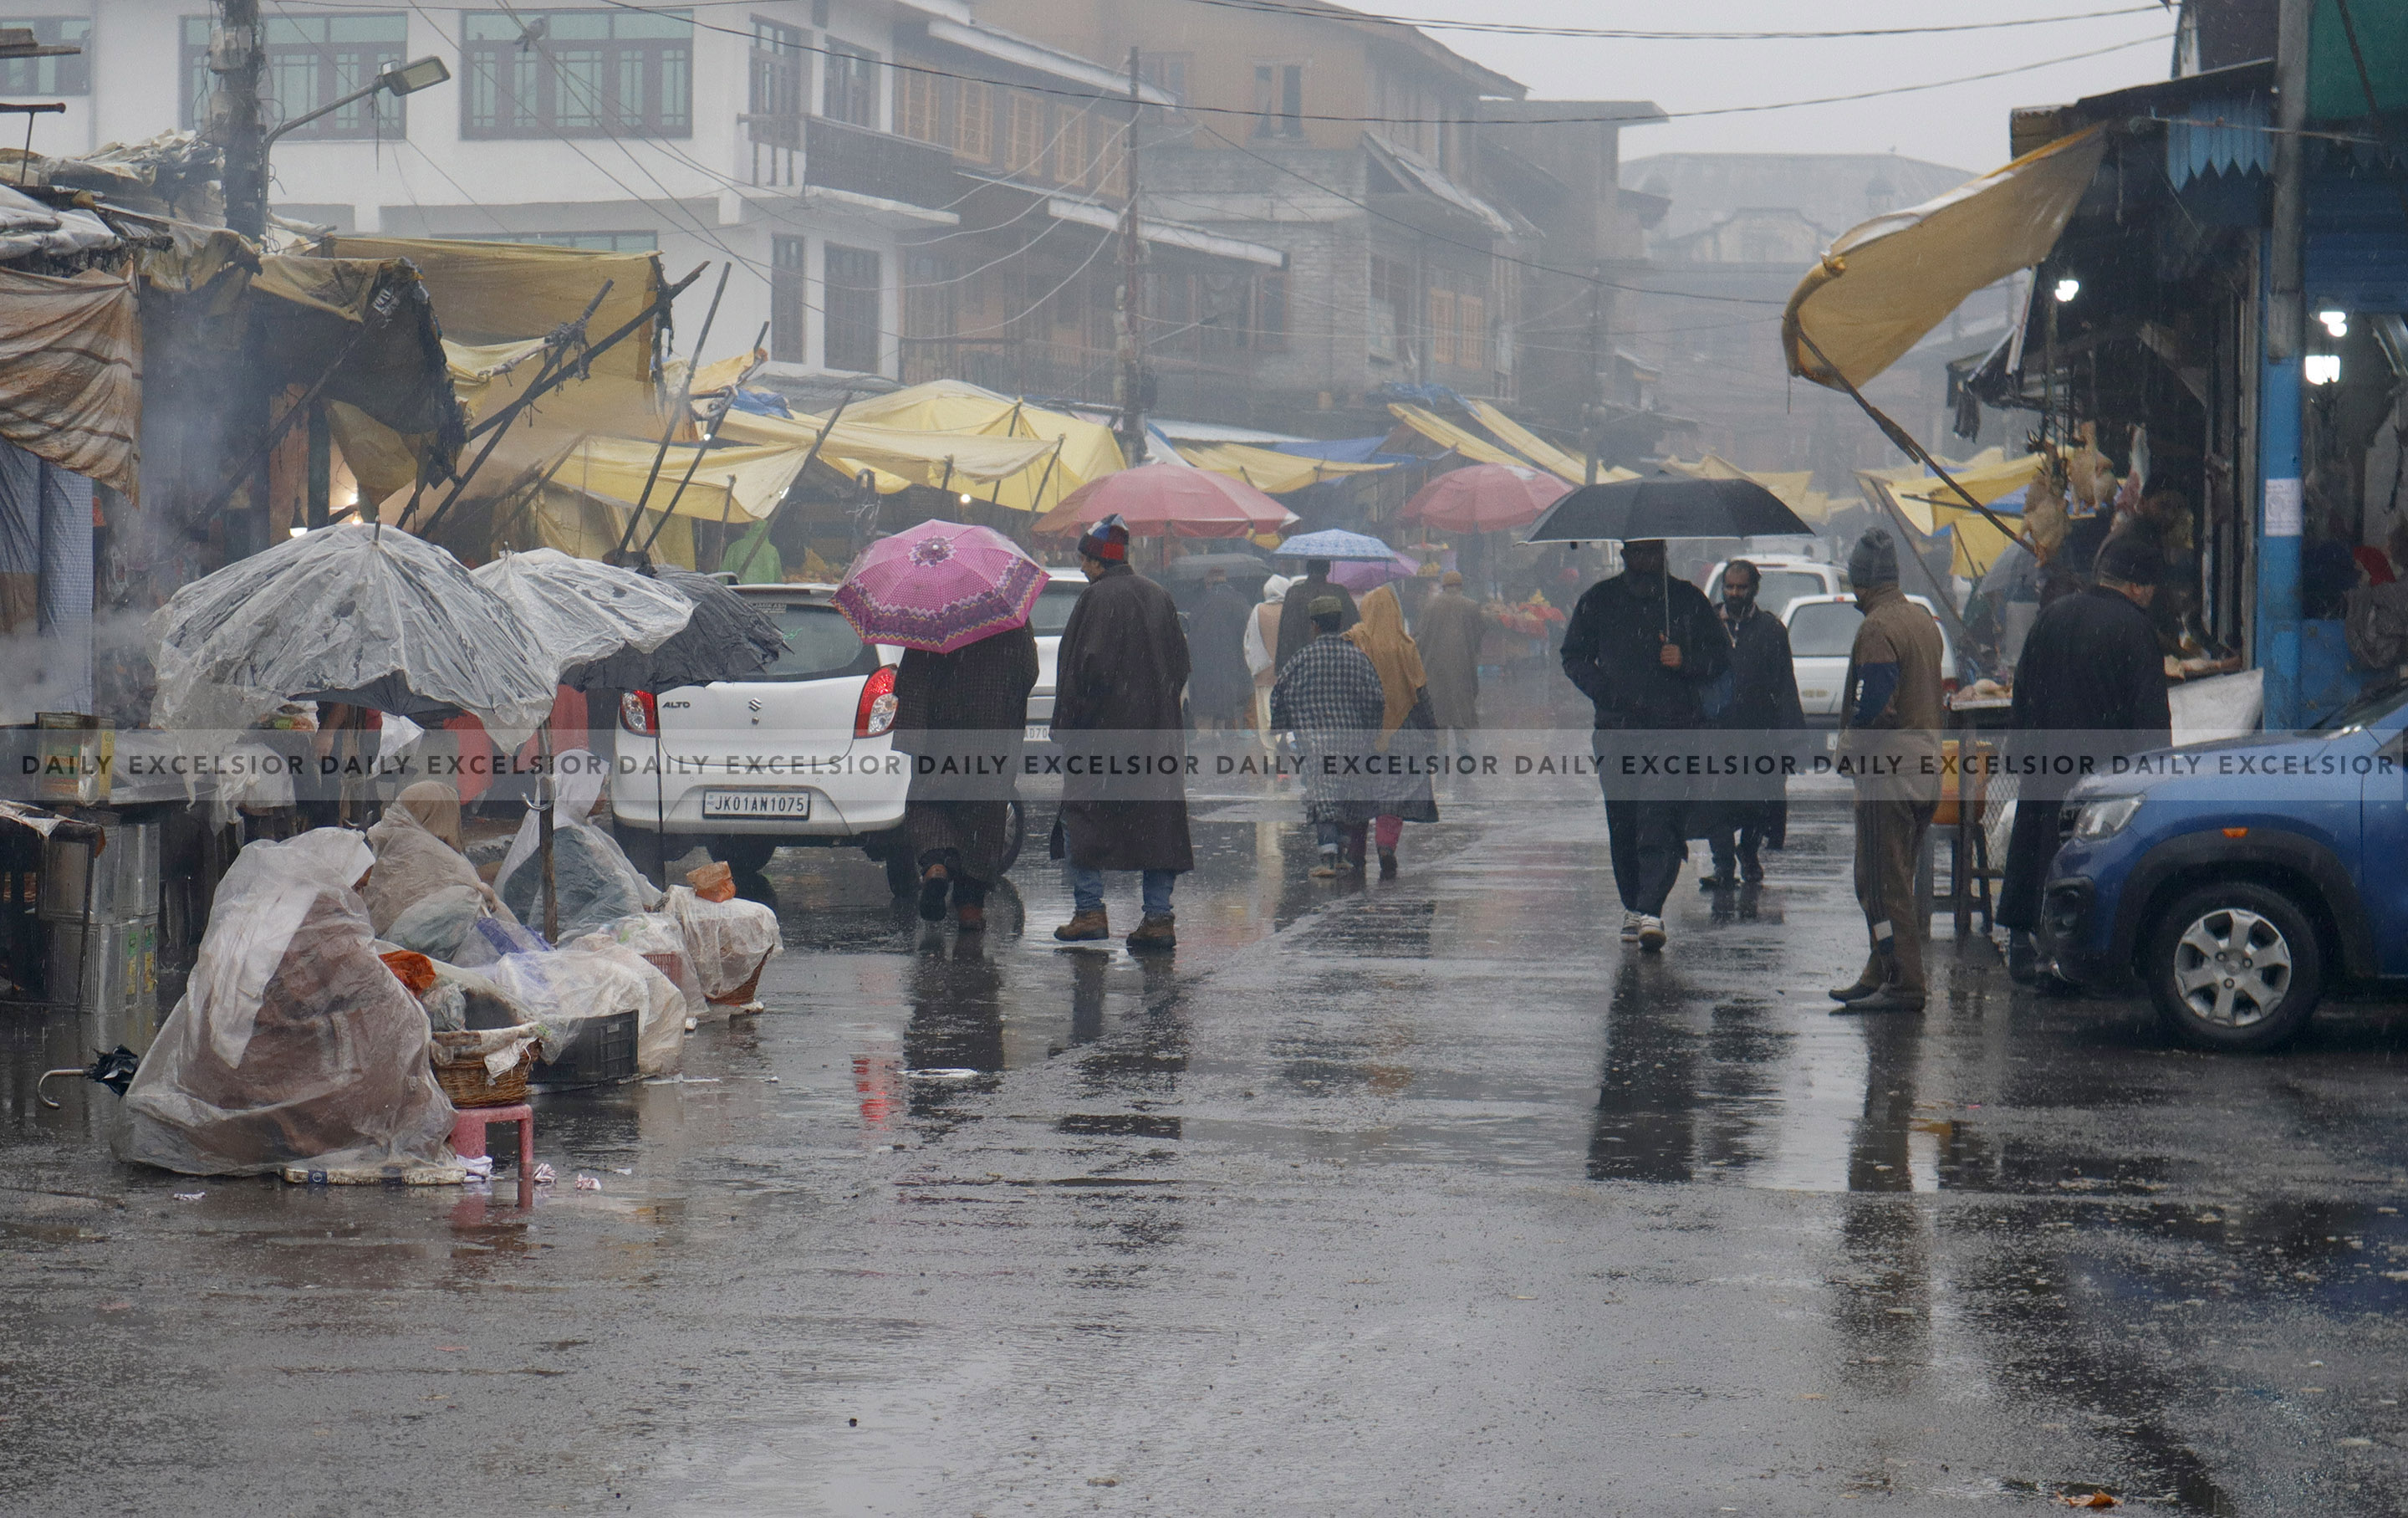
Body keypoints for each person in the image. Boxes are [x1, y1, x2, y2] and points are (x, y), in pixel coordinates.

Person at [1997, 532, 2171, 980]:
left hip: (2046, 764)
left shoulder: (2053, 616)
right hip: (2102, 774)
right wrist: (2158, 774)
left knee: (2036, 846)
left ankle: (2025, 945)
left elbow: (2023, 693)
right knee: (2086, 859)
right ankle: (2069, 959)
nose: (2150, 597)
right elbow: (2149, 717)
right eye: (2150, 588)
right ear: (2136, 586)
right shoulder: (2135, 629)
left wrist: (2022, 755)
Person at [1559, 538, 1730, 952]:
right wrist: (1606, 692)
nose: (1646, 560)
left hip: (1673, 730)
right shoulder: (1598, 600)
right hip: (1617, 731)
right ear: (1624, 555)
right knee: (1623, 821)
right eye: (1638, 553)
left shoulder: (1688, 601)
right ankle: (1633, 904)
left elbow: (1720, 657)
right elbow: (1573, 656)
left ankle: (1652, 908)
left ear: (1664, 553)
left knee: (1661, 816)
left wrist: (1684, 659)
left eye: (1653, 552)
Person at [1049, 514, 1194, 951]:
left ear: (1096, 561)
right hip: (1156, 735)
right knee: (1157, 824)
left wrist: (1069, 729)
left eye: (1082, 559)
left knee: (1085, 816)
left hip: (1101, 737)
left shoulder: (1095, 601)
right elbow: (1180, 666)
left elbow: (1082, 674)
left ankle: (1090, 911)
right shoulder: (1159, 596)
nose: (1080, 567)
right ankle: (1158, 918)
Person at [1829, 528, 1946, 1014]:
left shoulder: (1877, 629)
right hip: (1924, 769)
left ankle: (1903, 982)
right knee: (1888, 876)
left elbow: (1875, 704)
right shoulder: (1922, 621)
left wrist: (1847, 752)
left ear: (1861, 580)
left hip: (1887, 772)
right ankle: (1881, 969)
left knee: (1881, 882)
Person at [890, 619, 1039, 932]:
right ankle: (971, 907)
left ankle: (935, 866)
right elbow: (1029, 672)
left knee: (929, 801)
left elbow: (911, 678)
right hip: (991, 730)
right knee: (983, 815)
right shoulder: (1010, 616)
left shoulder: (928, 612)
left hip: (939, 731)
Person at [1698, 560, 1804, 890]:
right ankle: (1723, 864)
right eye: (1729, 587)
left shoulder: (1771, 631)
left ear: (1753, 589)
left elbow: (1785, 683)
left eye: (1741, 587)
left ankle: (1748, 851)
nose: (1734, 593)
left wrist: (1791, 738)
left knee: (1760, 802)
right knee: (1714, 802)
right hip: (1716, 735)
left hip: (1760, 734)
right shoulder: (1707, 626)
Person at [1271, 594, 1388, 877]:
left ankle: (1328, 857)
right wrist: (1369, 734)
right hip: (1352, 742)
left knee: (1322, 796)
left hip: (1315, 743)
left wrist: (1285, 729)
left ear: (1314, 625)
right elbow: (1376, 699)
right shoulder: (1358, 659)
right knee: (1347, 795)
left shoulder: (1300, 660)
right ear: (1339, 623)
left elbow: (1279, 697)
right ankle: (1345, 855)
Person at [1344, 584, 1441, 877]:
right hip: (1402, 730)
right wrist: (1430, 733)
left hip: (1363, 730)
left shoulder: (1355, 641)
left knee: (1360, 790)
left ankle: (1355, 851)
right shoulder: (1405, 645)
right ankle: (1386, 846)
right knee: (1393, 794)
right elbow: (1420, 692)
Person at [1414, 569, 1486, 759]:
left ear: (1444, 586)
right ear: (1461, 586)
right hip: (1463, 665)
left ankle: (1442, 749)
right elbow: (1479, 634)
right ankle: (1463, 745)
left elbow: (1420, 636)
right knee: (1461, 706)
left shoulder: (1430, 606)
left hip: (1434, 666)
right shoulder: (1471, 606)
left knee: (1440, 709)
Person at [1186, 565, 1255, 730]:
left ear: (1208, 583)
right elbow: (1248, 632)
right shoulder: (1239, 600)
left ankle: (1207, 741)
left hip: (1205, 667)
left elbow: (1192, 634)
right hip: (1234, 665)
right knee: (1230, 707)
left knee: (1207, 709)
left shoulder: (1202, 603)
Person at [1276, 556, 1360, 671]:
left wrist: (1282, 669)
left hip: (1300, 666)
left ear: (1308, 569)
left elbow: (1286, 633)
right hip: (1338, 664)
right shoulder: (1339, 592)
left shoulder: (1294, 593)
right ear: (1328, 570)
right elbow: (1355, 626)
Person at [1245, 573, 1293, 748]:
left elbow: (1248, 643)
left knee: (1266, 720)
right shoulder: (1291, 611)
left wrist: (1254, 667)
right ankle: (1286, 752)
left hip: (1264, 676)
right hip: (1288, 676)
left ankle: (1272, 759)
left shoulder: (1258, 611)